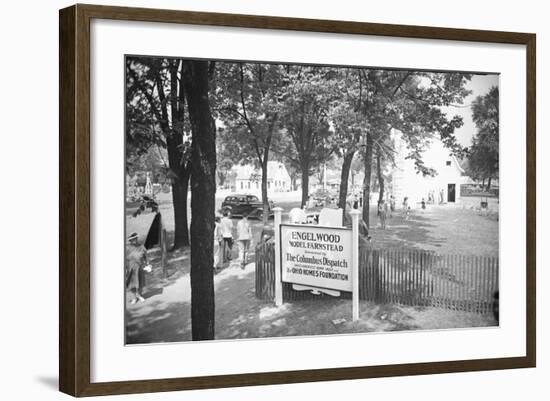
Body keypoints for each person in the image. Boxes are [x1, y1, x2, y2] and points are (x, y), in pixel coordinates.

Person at [125, 232, 149, 304]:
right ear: (130, 241)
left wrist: (148, 264)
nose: (134, 240)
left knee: (140, 282)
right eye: (132, 239)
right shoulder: (127, 248)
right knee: (132, 284)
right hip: (130, 268)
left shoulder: (141, 246)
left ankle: (139, 295)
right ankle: (134, 298)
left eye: (135, 239)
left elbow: (146, 256)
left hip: (139, 267)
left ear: (137, 238)